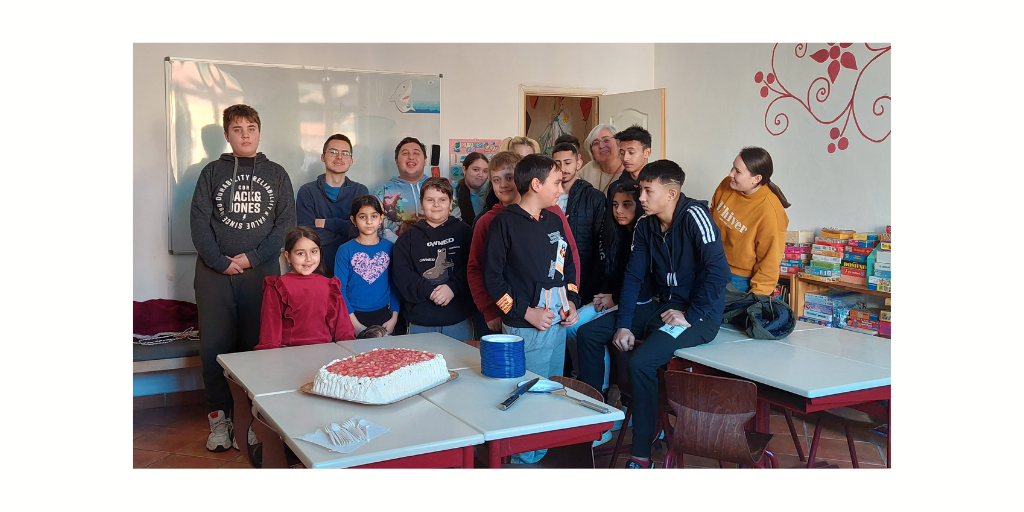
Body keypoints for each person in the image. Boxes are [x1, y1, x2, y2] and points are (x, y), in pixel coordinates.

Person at [576, 160, 730, 468]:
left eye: (648, 191)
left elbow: (718, 272)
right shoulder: (646, 225)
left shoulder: (696, 216)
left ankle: (642, 452)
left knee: (642, 362)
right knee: (588, 333)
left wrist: (692, 314)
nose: (641, 198)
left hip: (698, 316)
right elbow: (633, 277)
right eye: (641, 190)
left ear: (671, 193)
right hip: (662, 307)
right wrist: (622, 325)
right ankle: (595, 422)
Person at [190, 104, 295, 452]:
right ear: (227, 135)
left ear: (260, 132)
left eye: (251, 128)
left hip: (261, 273)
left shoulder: (277, 173)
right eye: (238, 129)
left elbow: (284, 225)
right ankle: (220, 421)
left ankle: (254, 419)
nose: (245, 135)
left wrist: (252, 257)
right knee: (214, 351)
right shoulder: (210, 173)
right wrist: (220, 262)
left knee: (258, 348)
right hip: (214, 275)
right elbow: (198, 223)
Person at [484, 154, 581, 379]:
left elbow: (567, 266)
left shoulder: (554, 220)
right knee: (527, 393)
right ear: (536, 184)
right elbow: (492, 279)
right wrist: (526, 312)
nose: (561, 189)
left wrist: (572, 303)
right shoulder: (503, 223)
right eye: (556, 183)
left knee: (552, 387)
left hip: (557, 325)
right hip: (524, 327)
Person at [567, 182, 648, 385]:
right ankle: (583, 377)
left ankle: (599, 387)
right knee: (570, 325)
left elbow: (643, 283)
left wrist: (614, 298)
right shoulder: (613, 232)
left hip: (635, 301)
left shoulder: (644, 234)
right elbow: (605, 271)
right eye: (615, 204)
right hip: (611, 295)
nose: (619, 210)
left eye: (627, 204)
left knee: (588, 332)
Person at [392, 177, 475, 340]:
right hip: (420, 321)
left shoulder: (465, 232)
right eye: (430, 200)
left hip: (458, 318)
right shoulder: (407, 238)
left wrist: (452, 288)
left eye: (442, 200)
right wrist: (430, 292)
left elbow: (473, 267)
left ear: (451, 203)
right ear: (422, 204)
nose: (436, 205)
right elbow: (402, 274)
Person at [255, 226, 356, 350]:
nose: (308, 259)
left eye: (313, 252)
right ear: (288, 256)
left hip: (325, 354)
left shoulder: (330, 286)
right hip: (289, 355)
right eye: (300, 253)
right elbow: (269, 335)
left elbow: (344, 331)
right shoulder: (277, 286)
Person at [711, 147, 791, 294]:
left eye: (738, 172)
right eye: (732, 168)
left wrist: (755, 299)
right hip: (710, 264)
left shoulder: (771, 212)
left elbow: (769, 262)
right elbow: (712, 215)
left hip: (738, 279)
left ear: (757, 179)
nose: (731, 174)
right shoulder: (727, 184)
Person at [295, 134, 369, 277]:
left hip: (353, 270)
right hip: (316, 270)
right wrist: (346, 230)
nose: (339, 157)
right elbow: (307, 236)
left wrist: (327, 223)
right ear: (323, 157)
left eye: (345, 153)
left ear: (351, 160)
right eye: (333, 152)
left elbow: (361, 231)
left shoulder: (360, 191)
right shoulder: (307, 192)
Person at [335, 196, 401, 336]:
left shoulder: (390, 248)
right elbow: (339, 290)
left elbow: (395, 286)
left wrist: (394, 318)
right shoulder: (345, 250)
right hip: (352, 316)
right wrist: (356, 325)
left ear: (381, 218)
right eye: (363, 217)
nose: (369, 221)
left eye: (374, 216)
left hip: (384, 316)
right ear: (353, 220)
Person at [552, 141, 606, 306]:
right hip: (551, 271)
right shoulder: (546, 196)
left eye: (568, 162)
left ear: (578, 163)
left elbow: (600, 244)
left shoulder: (594, 197)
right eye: (558, 163)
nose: (563, 168)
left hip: (583, 271)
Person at [376, 137, 431, 242]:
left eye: (416, 153)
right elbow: (374, 228)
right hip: (395, 253)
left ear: (425, 161)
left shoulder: (441, 188)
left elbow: (454, 221)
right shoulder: (383, 191)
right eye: (405, 153)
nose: (411, 157)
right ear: (396, 161)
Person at [606, 124, 653, 200]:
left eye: (631, 152)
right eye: (622, 153)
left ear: (647, 152)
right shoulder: (615, 187)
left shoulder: (657, 185)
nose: (625, 158)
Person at [578, 124, 623, 194]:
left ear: (619, 143)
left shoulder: (630, 169)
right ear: (592, 151)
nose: (601, 146)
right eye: (596, 143)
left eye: (606, 140)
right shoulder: (588, 169)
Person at [451, 152, 489, 226]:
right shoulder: (452, 193)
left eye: (485, 171)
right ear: (464, 170)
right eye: (476, 170)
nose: (480, 174)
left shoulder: (490, 194)